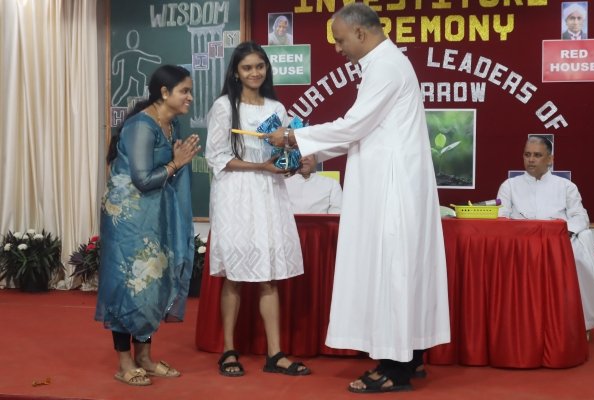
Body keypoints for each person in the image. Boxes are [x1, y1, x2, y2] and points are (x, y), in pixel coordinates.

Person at [267, 3, 450, 393]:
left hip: (391, 189)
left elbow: (353, 126)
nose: (338, 49)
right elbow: (362, 133)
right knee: (400, 271)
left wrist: (295, 136)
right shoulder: (386, 64)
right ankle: (410, 355)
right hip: (389, 183)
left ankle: (395, 368)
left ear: (361, 33)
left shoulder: (385, 67)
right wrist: (311, 150)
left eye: (340, 40)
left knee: (392, 273)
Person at [205, 41, 310, 377]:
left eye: (259, 66)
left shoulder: (277, 108)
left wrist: (297, 164)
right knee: (234, 277)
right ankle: (228, 351)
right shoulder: (224, 106)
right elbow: (217, 157)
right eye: (247, 67)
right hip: (235, 196)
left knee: (268, 277)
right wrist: (261, 167)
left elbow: (284, 156)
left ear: (267, 69)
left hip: (269, 195)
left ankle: (275, 354)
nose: (254, 73)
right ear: (236, 72)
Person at [96, 65, 201, 386]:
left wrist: (175, 163)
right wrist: (176, 163)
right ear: (165, 93)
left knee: (152, 282)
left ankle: (144, 357)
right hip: (129, 219)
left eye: (190, 90)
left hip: (155, 215)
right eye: (184, 91)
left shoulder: (171, 124)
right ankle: (125, 362)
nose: (190, 97)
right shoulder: (141, 126)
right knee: (127, 284)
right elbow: (142, 179)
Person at [496, 135, 594, 332]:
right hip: (521, 244)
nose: (531, 160)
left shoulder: (566, 187)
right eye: (527, 154)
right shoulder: (509, 186)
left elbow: (580, 217)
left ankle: (574, 323)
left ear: (550, 159)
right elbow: (502, 216)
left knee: (579, 249)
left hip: (557, 244)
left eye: (537, 155)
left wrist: (563, 233)